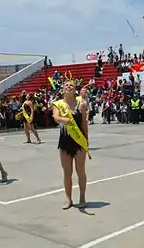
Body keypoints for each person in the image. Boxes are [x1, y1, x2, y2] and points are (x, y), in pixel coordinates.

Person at [52, 80, 90, 209]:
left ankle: (82, 197)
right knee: (67, 173)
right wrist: (65, 120)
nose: (68, 87)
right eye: (66, 85)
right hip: (65, 141)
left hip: (79, 141)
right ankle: (68, 199)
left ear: (75, 90)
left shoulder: (81, 104)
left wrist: (86, 142)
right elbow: (56, 118)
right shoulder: (58, 104)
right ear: (63, 89)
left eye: (71, 86)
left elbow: (84, 124)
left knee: (81, 172)